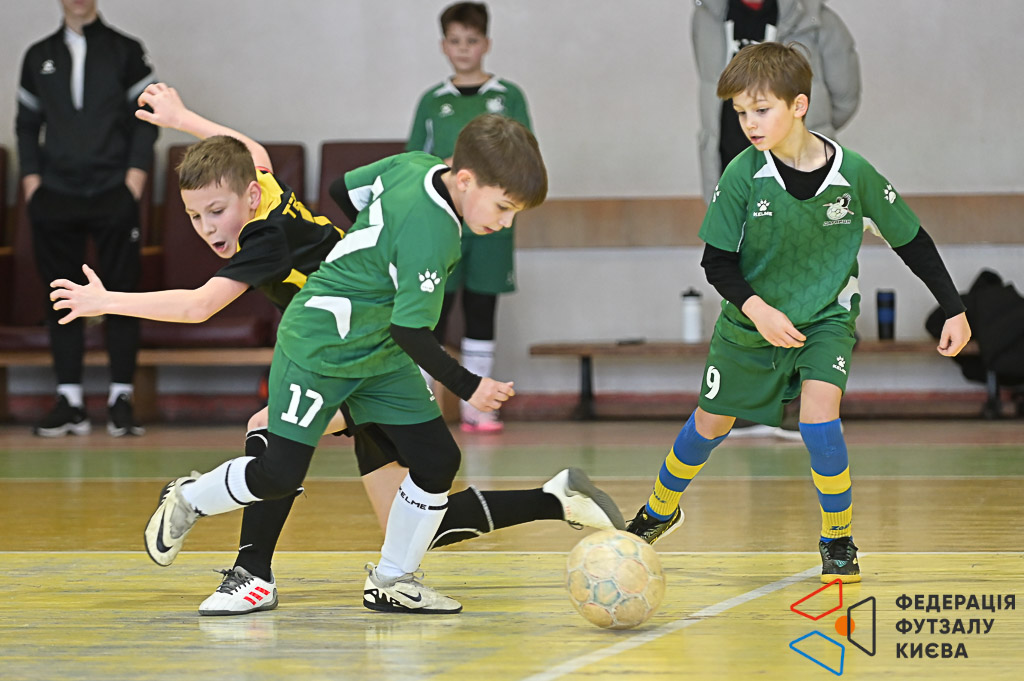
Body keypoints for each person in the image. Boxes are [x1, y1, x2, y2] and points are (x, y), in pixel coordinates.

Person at [51, 86, 624, 615]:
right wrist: (184, 121)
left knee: (416, 487)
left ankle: (482, 534)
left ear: (251, 193)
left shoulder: (378, 192)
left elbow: (325, 190)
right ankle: (242, 559)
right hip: (335, 345)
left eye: (216, 211)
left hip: (365, 345)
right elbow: (253, 173)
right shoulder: (279, 205)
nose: (206, 227)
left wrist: (181, 121)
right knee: (280, 453)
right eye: (195, 216)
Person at [626, 42, 971, 584]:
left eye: (761, 109)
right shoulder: (742, 174)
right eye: (740, 112)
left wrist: (954, 308)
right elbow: (717, 263)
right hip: (750, 325)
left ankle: (838, 538)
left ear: (799, 105)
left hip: (825, 319)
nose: (749, 123)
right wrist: (759, 310)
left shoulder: (853, 173)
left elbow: (911, 239)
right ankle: (659, 510)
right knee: (709, 424)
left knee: (818, 418)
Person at [16, 0, 157, 437]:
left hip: (114, 191)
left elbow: (147, 119)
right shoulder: (38, 56)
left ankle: (121, 399)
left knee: (121, 292)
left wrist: (133, 182)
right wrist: (32, 185)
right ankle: (70, 401)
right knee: (61, 296)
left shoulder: (125, 50)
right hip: (55, 196)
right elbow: (26, 125)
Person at [406, 2, 533, 433]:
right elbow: (413, 163)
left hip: (492, 224)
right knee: (433, 311)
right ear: (444, 45)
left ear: (487, 44)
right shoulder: (432, 101)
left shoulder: (508, 96)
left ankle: (479, 405)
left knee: (481, 308)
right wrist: (444, 168)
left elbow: (523, 155)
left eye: (472, 40)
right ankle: (420, 407)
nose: (463, 49)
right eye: (455, 41)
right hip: (443, 223)